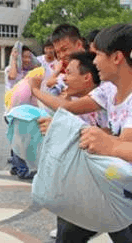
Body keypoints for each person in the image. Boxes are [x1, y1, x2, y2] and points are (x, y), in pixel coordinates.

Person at [31, 24, 132, 242]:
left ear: (116, 57)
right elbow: (68, 109)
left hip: (121, 189)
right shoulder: (108, 90)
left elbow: (121, 145)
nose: (94, 62)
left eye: (97, 55)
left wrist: (85, 135)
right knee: (70, 231)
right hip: (110, 182)